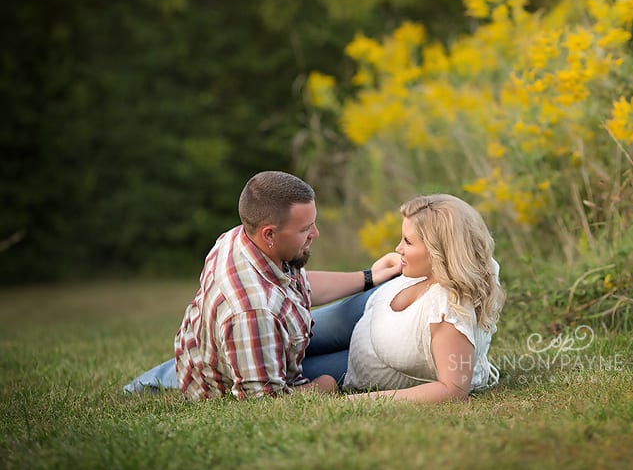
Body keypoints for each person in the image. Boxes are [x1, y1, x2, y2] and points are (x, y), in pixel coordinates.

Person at [124, 170, 401, 399]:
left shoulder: (242, 238)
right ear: (269, 234)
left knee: (374, 299)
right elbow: (265, 401)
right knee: (372, 360)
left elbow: (300, 284)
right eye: (306, 229)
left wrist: (369, 277)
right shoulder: (252, 312)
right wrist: (325, 385)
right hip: (261, 359)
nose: (315, 234)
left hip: (278, 338)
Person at [343, 194, 505, 402]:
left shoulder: (449, 309)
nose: (398, 248)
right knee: (291, 339)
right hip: (365, 312)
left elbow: (453, 390)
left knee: (294, 365)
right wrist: (394, 263)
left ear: (438, 252)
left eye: (408, 242)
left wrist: (360, 400)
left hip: (353, 364)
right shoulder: (434, 270)